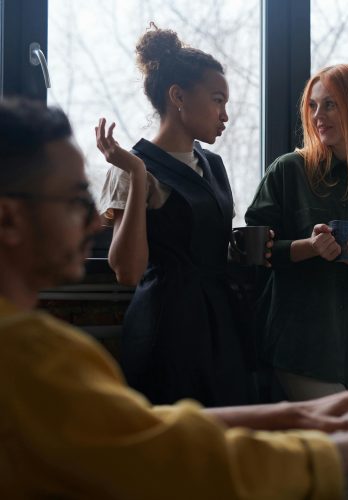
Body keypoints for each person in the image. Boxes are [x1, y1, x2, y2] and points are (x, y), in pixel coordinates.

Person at [0, 98, 348, 499]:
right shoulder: (31, 354)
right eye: (75, 200)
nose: (93, 222)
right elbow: (173, 457)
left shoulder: (35, 348)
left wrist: (303, 413)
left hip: (228, 323)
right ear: (10, 220)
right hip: (183, 322)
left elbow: (154, 428)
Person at [97, 25, 259, 406]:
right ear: (177, 96)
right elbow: (128, 271)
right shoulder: (131, 167)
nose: (225, 115)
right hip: (167, 325)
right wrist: (137, 176)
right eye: (218, 100)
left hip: (220, 320)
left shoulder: (213, 165)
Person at [245, 64, 348, 401]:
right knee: (341, 439)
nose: (318, 116)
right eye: (313, 106)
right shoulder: (288, 171)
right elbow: (252, 252)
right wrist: (309, 247)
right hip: (301, 348)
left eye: (330, 104)